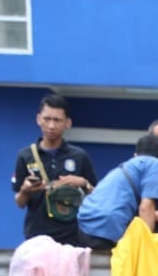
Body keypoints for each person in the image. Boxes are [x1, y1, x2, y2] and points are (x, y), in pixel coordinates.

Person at [11, 93, 98, 246]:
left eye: (57, 120)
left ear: (68, 123)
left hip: (72, 238)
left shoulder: (79, 156)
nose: (51, 125)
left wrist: (84, 183)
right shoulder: (25, 156)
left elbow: (97, 196)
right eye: (47, 119)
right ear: (38, 119)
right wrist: (25, 191)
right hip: (36, 238)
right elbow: (20, 202)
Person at [75, 133, 158, 249]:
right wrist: (147, 246)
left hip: (85, 220)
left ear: (136, 155)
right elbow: (146, 207)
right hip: (105, 224)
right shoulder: (156, 165)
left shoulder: (130, 165)